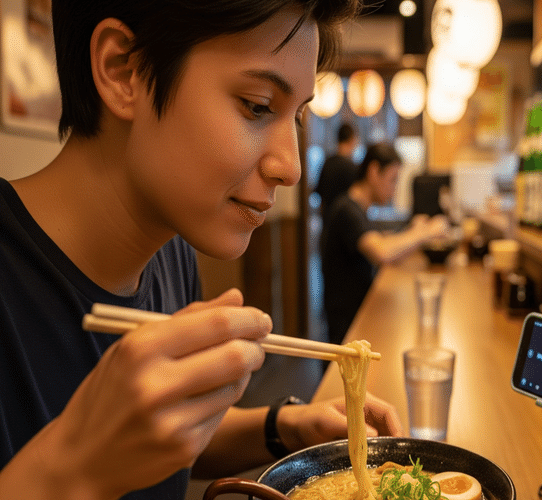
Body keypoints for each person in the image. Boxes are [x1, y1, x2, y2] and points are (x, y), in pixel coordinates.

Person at [0, 1, 403, 499]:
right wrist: (71, 468)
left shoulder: (170, 254)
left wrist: (285, 426)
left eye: (297, 116)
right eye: (258, 105)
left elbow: (168, 437)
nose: (291, 168)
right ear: (122, 70)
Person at [321, 143, 449, 346]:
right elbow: (382, 251)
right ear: (373, 172)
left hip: (360, 316)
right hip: (347, 328)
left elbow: (383, 242)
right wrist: (425, 232)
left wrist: (413, 232)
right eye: (393, 180)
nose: (394, 188)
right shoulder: (346, 209)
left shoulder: (358, 208)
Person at [315, 122, 359, 221]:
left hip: (327, 219)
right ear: (352, 139)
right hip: (347, 221)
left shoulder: (327, 163)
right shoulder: (352, 167)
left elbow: (320, 196)